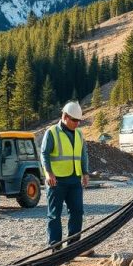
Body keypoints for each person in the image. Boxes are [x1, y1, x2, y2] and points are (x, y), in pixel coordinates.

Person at [41, 101, 90, 249]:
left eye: (79, 121)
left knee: (77, 212)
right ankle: (55, 247)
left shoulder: (80, 134)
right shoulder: (52, 132)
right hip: (56, 181)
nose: (77, 123)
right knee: (54, 215)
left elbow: (83, 155)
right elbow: (44, 154)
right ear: (65, 116)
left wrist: (85, 172)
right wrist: (49, 174)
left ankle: (74, 247)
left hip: (74, 179)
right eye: (74, 120)